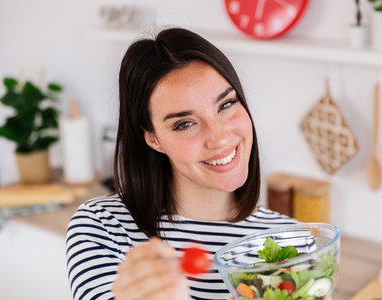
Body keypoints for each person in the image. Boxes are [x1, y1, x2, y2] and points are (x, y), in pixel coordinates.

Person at [65, 27, 297, 300]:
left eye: (226, 104)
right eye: (185, 124)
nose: (219, 138)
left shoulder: (287, 241)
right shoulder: (104, 227)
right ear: (153, 139)